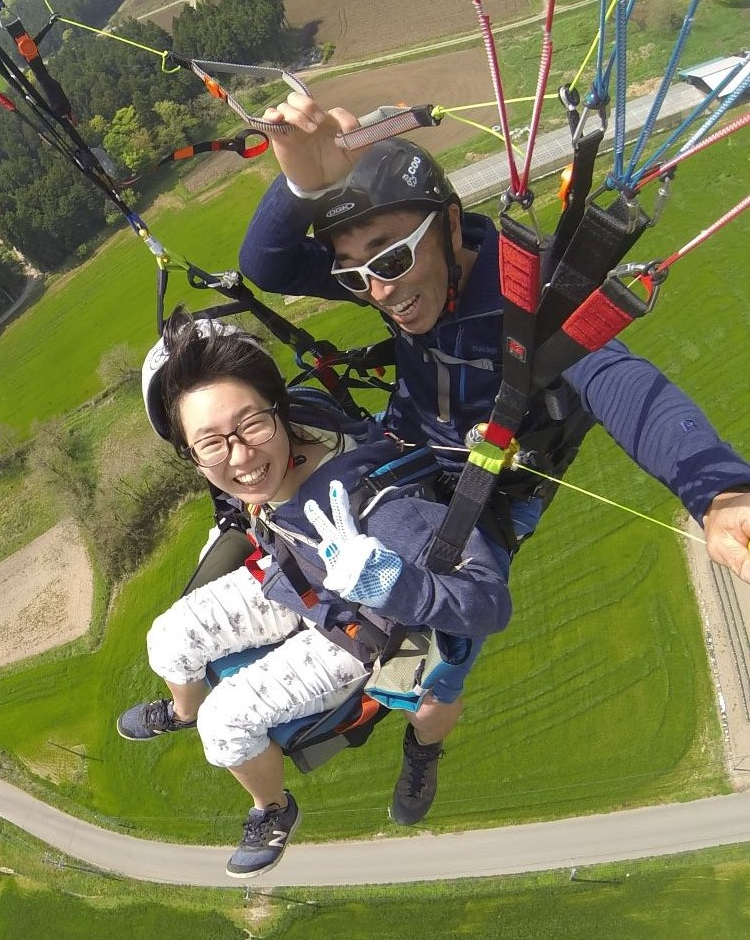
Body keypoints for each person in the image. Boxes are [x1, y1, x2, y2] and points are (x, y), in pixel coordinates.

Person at [235, 94, 751, 819]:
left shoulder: (531, 297)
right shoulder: (408, 273)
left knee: (442, 658)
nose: (379, 290)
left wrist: (718, 492)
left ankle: (423, 752)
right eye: (354, 275)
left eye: (387, 258)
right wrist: (306, 184)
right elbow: (267, 263)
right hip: (406, 457)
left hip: (487, 500)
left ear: (448, 225)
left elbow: (620, 380)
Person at [117, 312, 513, 878]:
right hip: (293, 581)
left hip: (357, 629)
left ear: (277, 411)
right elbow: (246, 503)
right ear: (192, 453)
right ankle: (184, 708)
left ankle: (273, 810)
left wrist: (389, 582)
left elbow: (489, 604)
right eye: (211, 443)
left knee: (225, 726)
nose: (240, 457)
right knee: (167, 638)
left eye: (251, 424)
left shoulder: (368, 502)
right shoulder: (296, 429)